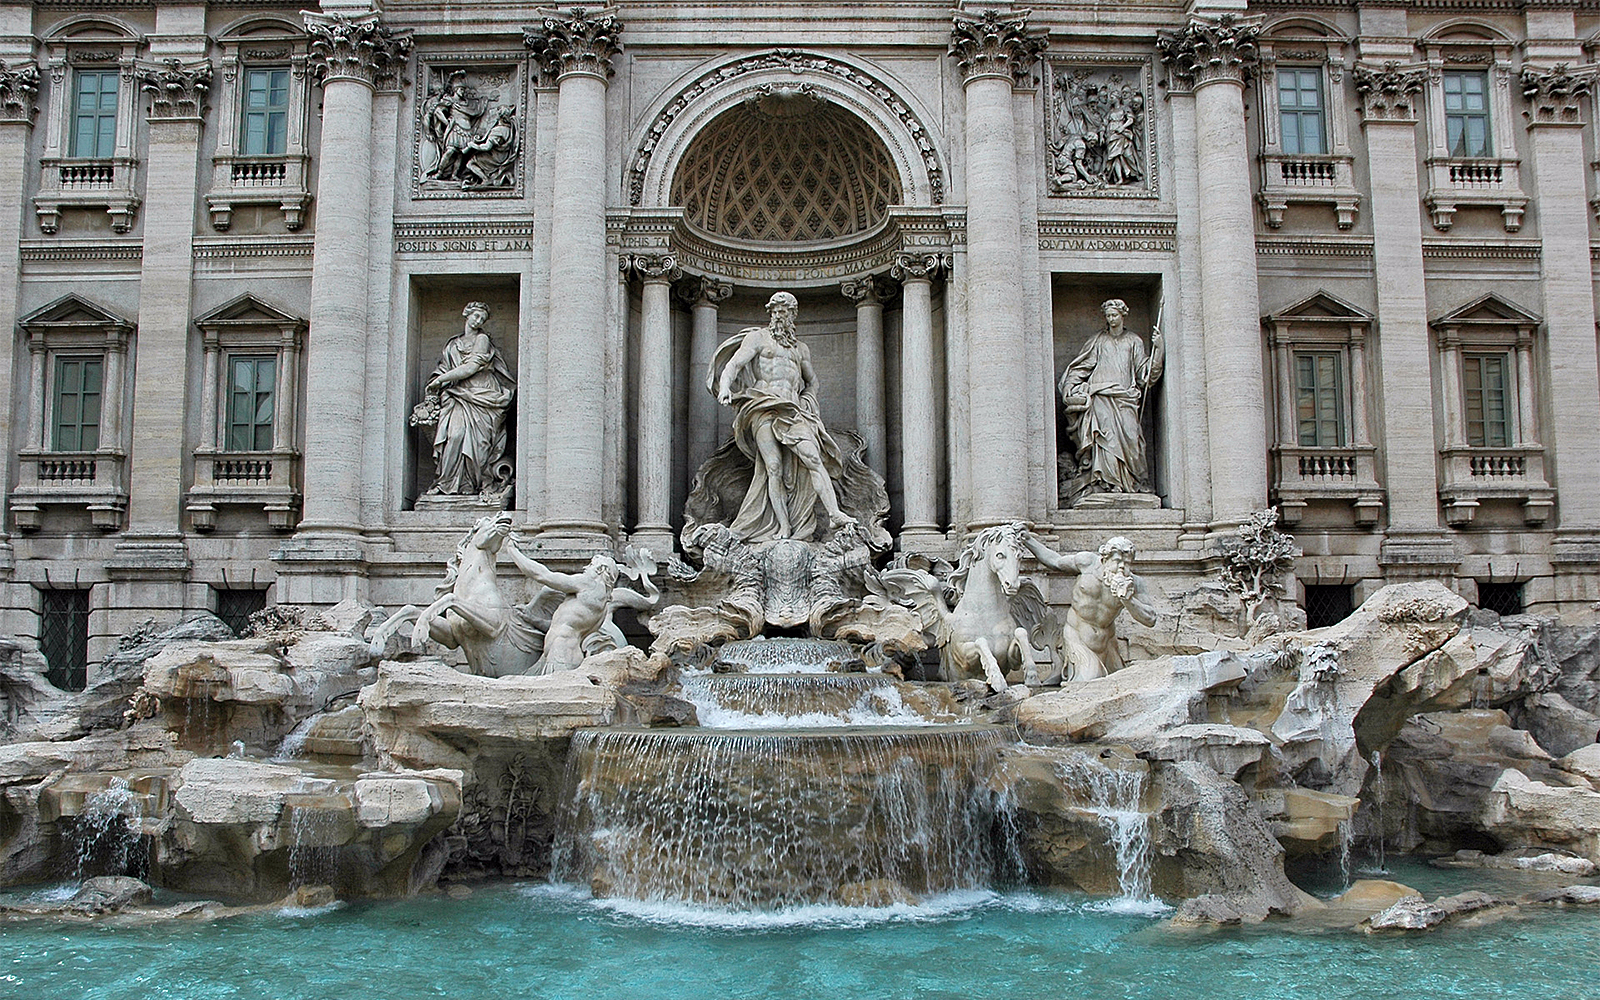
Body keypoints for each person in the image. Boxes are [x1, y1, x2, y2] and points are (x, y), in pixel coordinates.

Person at [709, 292, 858, 543]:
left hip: (792, 410)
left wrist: (808, 401)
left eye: (785, 311)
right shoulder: (758, 339)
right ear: (770, 313)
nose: (780, 315)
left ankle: (834, 514)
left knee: (813, 457)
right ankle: (783, 526)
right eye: (776, 311)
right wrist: (725, 387)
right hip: (763, 407)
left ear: (793, 315)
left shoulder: (800, 349)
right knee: (774, 468)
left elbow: (812, 382)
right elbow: (733, 365)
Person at [1059, 297, 1163, 504]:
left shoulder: (1134, 341)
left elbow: (1145, 373)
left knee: (1132, 440)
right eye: (1108, 316)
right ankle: (1106, 483)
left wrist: (1159, 350)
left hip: (1125, 398)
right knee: (1105, 441)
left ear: (1123, 316)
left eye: (1114, 315)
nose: (1111, 319)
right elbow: (1081, 367)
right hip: (1101, 397)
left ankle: (1131, 483)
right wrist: (1071, 387)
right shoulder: (1098, 340)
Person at [1023, 532, 1157, 681]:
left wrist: (1127, 600)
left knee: (1118, 683)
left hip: (1107, 643)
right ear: (1105, 558)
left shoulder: (1134, 583)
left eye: (1127, 563)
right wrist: (1029, 541)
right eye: (1117, 561)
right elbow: (1055, 561)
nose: (1121, 567)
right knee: (1090, 681)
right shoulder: (1087, 563)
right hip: (1077, 636)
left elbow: (1150, 619)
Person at [504, 548, 660, 675]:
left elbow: (543, 575)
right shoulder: (602, 604)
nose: (586, 568)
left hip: (560, 655)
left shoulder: (588, 584)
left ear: (600, 569)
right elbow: (564, 625)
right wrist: (533, 620)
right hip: (562, 654)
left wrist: (512, 551)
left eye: (591, 565)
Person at [424, 302, 515, 496]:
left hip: (482, 394)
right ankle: (446, 483)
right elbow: (444, 367)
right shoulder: (452, 345)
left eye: (482, 319)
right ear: (466, 314)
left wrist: (440, 380)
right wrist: (438, 380)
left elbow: (471, 368)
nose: (478, 321)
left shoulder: (482, 339)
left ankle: (471, 485)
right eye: (476, 316)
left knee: (479, 445)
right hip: (458, 395)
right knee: (455, 436)